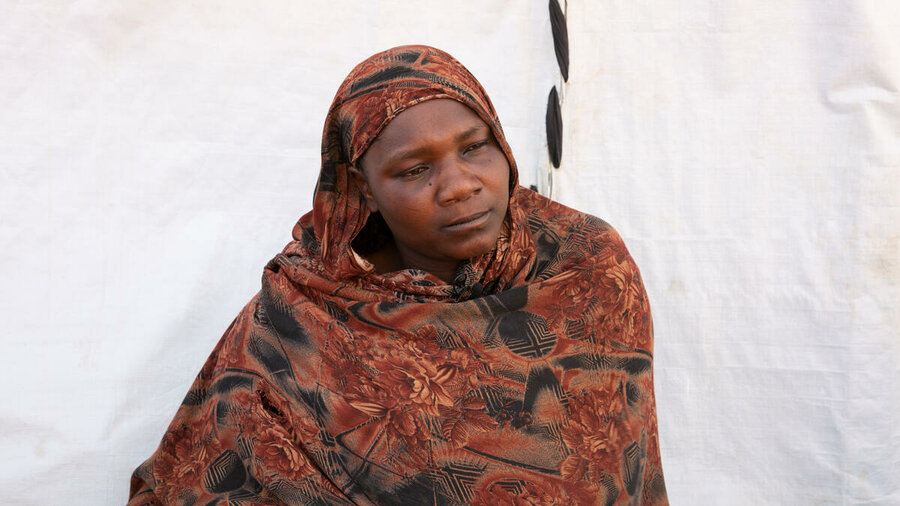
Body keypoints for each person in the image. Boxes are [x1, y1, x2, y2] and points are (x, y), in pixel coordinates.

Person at [128, 45, 667, 505]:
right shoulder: (302, 312)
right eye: (415, 169)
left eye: (475, 146)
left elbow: (618, 470)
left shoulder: (585, 269)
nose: (459, 185)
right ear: (364, 189)